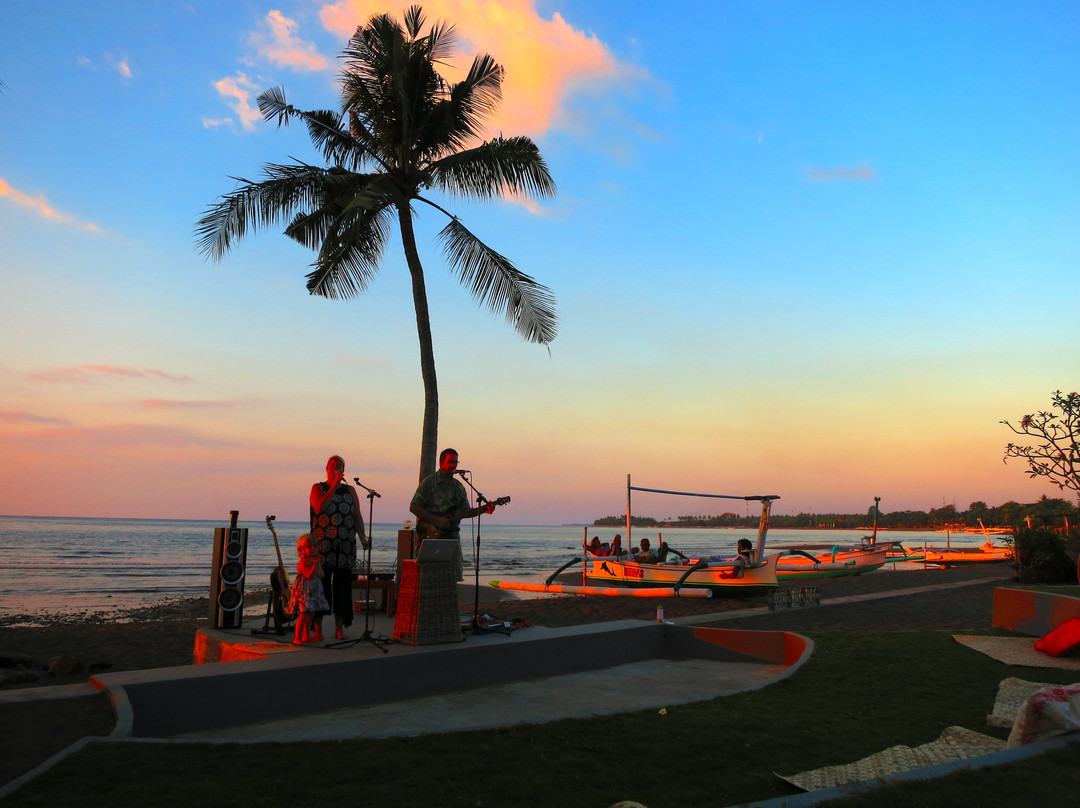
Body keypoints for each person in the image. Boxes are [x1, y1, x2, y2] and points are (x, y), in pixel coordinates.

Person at [409, 448, 495, 581]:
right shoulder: (429, 482)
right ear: (441, 463)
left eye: (455, 462)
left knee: (453, 576)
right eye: (450, 462)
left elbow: (465, 511)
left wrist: (484, 509)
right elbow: (414, 507)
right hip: (431, 536)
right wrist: (436, 520)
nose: (453, 465)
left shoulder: (459, 487)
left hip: (452, 537)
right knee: (427, 577)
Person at [310, 455, 369, 641]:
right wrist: (333, 486)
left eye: (339, 466)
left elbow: (357, 515)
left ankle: (339, 628)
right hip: (323, 547)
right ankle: (318, 628)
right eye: (332, 465)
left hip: (345, 545)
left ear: (344, 470)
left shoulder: (350, 490)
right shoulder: (317, 488)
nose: (335, 468)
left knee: (342, 589)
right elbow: (319, 507)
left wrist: (363, 537)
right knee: (322, 587)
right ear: (326, 468)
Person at [289, 534, 329, 644]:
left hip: (314, 591)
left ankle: (306, 635)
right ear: (302, 550)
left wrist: (318, 565)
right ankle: (297, 637)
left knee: (311, 614)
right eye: (310, 547)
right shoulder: (302, 562)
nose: (314, 549)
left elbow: (321, 575)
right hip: (304, 592)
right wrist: (314, 567)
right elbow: (308, 575)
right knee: (303, 614)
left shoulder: (315, 561)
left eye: (315, 546)